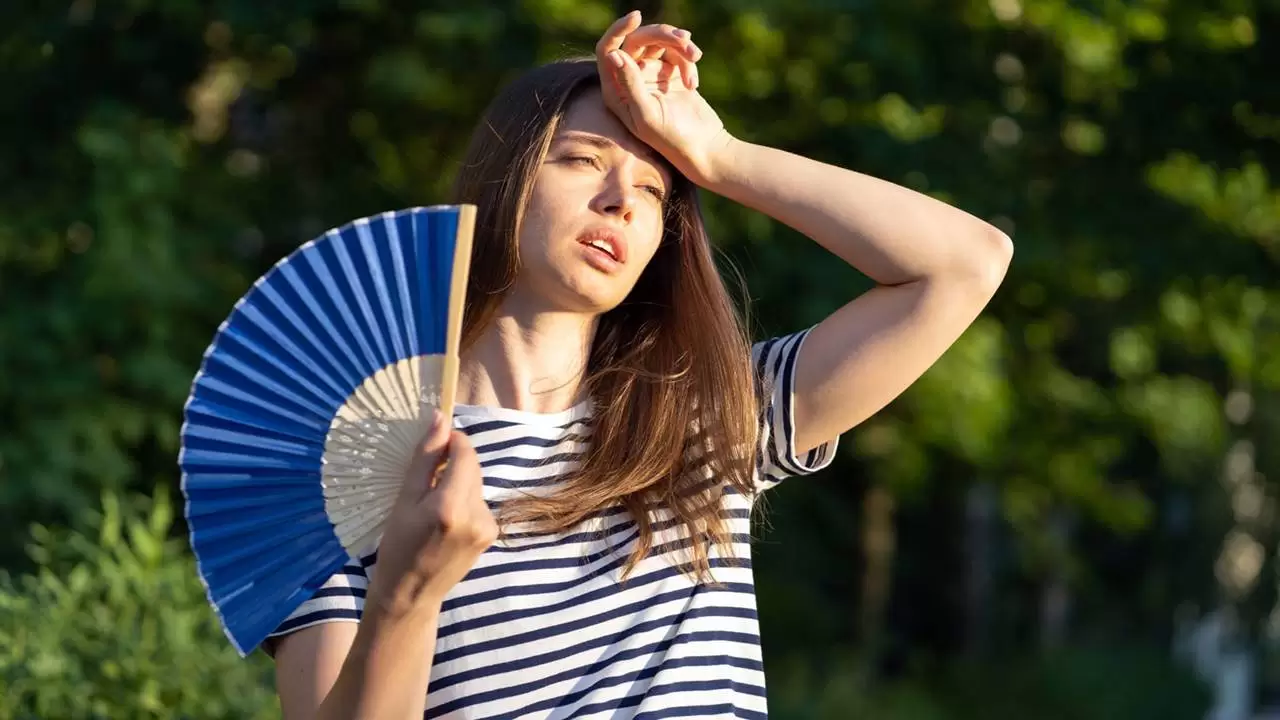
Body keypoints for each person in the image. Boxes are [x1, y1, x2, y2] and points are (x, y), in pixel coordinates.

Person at [270, 10, 1012, 719]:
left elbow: (966, 265)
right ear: (505, 181)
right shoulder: (350, 463)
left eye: (655, 190)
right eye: (582, 159)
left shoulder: (711, 417)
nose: (622, 198)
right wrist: (407, 594)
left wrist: (718, 157)